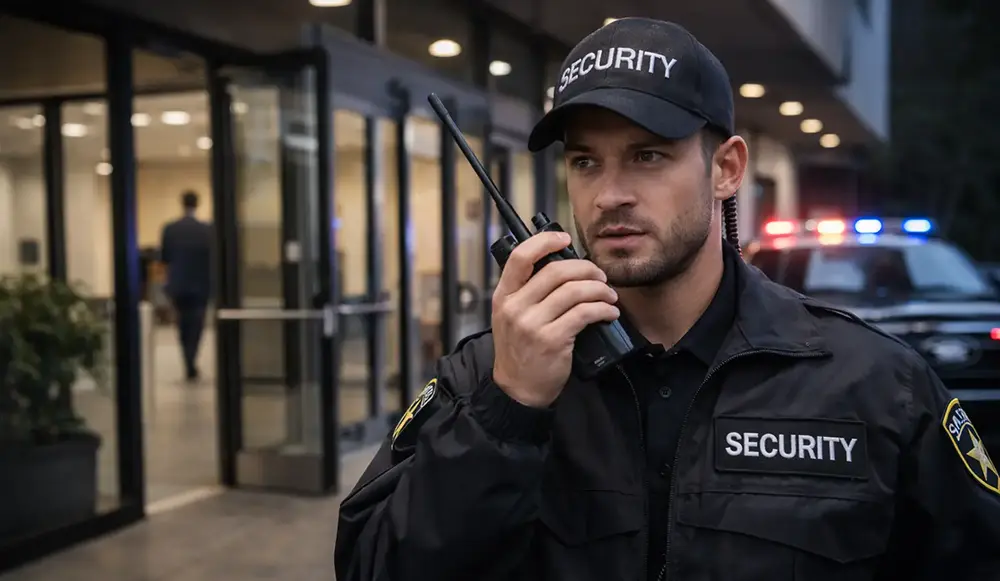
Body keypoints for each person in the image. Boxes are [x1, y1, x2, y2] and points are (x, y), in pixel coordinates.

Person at [335, 18, 1000, 581]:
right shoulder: (488, 376)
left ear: (727, 169)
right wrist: (507, 411)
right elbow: (371, 565)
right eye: (585, 161)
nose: (609, 194)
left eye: (648, 156)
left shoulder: (876, 385)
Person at [160, 190, 213, 382]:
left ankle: (187, 359)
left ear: (182, 203)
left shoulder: (171, 229)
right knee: (197, 324)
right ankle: (192, 358)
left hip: (179, 284)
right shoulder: (207, 229)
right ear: (197, 204)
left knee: (182, 324)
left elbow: (164, 258)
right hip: (201, 284)